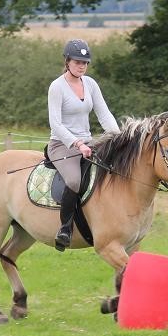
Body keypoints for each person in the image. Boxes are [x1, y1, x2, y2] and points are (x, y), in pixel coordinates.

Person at [47, 39, 119, 250]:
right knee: (74, 181)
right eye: (77, 62)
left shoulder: (91, 84)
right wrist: (77, 144)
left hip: (88, 142)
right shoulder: (57, 87)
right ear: (67, 61)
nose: (82, 66)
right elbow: (56, 124)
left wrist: (119, 137)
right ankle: (65, 229)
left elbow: (104, 114)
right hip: (62, 145)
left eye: (85, 63)